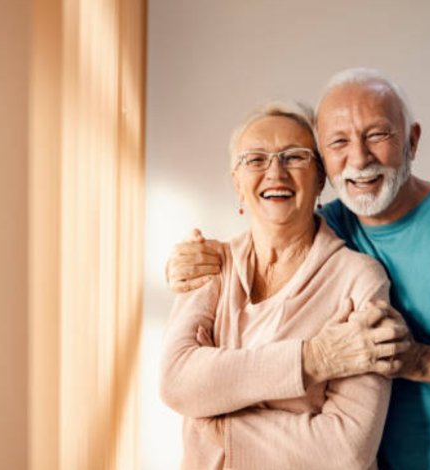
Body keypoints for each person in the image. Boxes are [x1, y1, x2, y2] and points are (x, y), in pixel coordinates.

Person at [166, 68, 430, 470]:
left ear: (412, 140)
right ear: (325, 168)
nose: (359, 159)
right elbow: (273, 222)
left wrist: (419, 360)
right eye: (338, 143)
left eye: (377, 135)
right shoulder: (329, 225)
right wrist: (186, 262)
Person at [159, 101, 409, 470]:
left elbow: (347, 450)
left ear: (321, 178)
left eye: (294, 157)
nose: (275, 171)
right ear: (237, 184)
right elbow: (176, 382)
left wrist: (223, 429)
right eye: (255, 159)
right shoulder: (210, 264)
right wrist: (315, 358)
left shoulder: (360, 279)